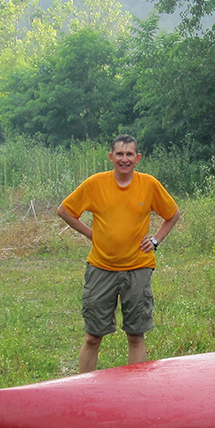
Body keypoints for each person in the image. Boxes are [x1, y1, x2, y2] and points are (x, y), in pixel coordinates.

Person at [57, 134, 181, 373]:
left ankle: (135, 395)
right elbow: (65, 210)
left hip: (138, 268)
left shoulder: (149, 184)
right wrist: (91, 234)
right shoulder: (95, 184)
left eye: (130, 154)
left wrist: (155, 240)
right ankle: (86, 392)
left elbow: (172, 214)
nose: (125, 159)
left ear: (138, 158)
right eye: (120, 154)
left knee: (135, 335)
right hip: (101, 268)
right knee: (93, 336)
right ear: (111, 157)